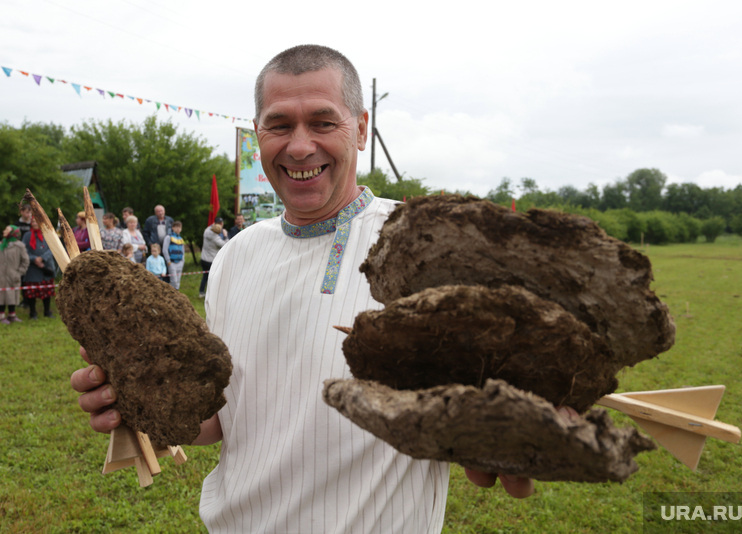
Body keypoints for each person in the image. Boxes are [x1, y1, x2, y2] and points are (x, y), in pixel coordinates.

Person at [70, 45, 534, 533]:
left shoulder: (426, 247)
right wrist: (141, 398)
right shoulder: (234, 256)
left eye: (322, 122)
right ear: (258, 133)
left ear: (360, 127)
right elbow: (223, 420)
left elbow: (495, 414)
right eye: (279, 125)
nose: (298, 146)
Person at [22, 217, 56, 319]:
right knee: (31, 292)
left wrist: (42, 258)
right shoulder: (27, 236)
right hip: (33, 268)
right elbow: (24, 250)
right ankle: (33, 313)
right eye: (32, 221)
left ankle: (47, 311)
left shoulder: (48, 234)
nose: (34, 223)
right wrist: (34, 259)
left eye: (36, 221)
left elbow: (52, 248)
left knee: (46, 291)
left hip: (46, 266)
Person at [0, 225, 30, 324]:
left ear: (13, 232)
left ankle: (12, 315)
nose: (4, 231)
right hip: (1, 275)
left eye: (7, 229)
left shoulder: (19, 245)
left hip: (13, 275)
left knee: (12, 295)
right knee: (1, 295)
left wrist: (19, 273)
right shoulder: (1, 244)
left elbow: (25, 261)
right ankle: (1, 316)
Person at [198, 217, 226, 298]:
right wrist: (225, 235)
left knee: (205, 277)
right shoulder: (215, 237)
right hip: (211, 260)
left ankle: (201, 292)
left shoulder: (207, 230)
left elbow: (210, 227)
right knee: (213, 278)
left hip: (203, 259)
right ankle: (211, 295)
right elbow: (225, 244)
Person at [162, 220, 185, 290]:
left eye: (179, 227)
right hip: (172, 262)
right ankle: (171, 294)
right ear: (173, 228)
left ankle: (177, 295)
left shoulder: (181, 239)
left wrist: (183, 261)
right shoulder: (168, 237)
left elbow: (183, 251)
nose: (178, 229)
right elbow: (164, 250)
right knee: (173, 281)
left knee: (178, 281)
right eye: (176, 227)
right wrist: (168, 261)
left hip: (180, 262)